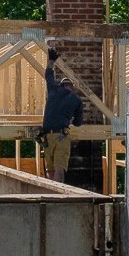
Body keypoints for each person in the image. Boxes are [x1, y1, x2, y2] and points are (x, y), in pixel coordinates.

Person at [37, 43, 81, 181]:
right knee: (59, 168)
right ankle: (58, 197)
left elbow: (48, 74)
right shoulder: (76, 99)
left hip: (47, 136)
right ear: (72, 87)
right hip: (61, 136)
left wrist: (51, 60)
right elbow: (78, 123)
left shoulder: (54, 90)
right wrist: (70, 118)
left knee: (50, 169)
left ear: (61, 85)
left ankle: (51, 194)